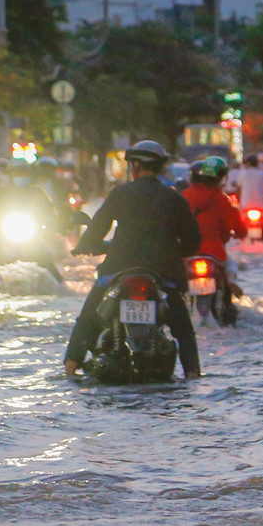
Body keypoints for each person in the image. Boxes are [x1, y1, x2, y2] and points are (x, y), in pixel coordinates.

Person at [65, 140, 203, 379]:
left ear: (135, 166)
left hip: (117, 270)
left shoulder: (120, 194)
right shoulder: (174, 200)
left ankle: (69, 369)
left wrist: (84, 246)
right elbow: (192, 243)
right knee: (183, 329)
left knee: (87, 319)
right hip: (165, 276)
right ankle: (192, 373)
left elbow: (96, 230)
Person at [183, 155, 245, 315]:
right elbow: (234, 230)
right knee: (231, 267)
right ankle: (230, 285)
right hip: (215, 252)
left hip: (187, 253)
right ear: (222, 177)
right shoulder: (223, 200)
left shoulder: (185, 196)